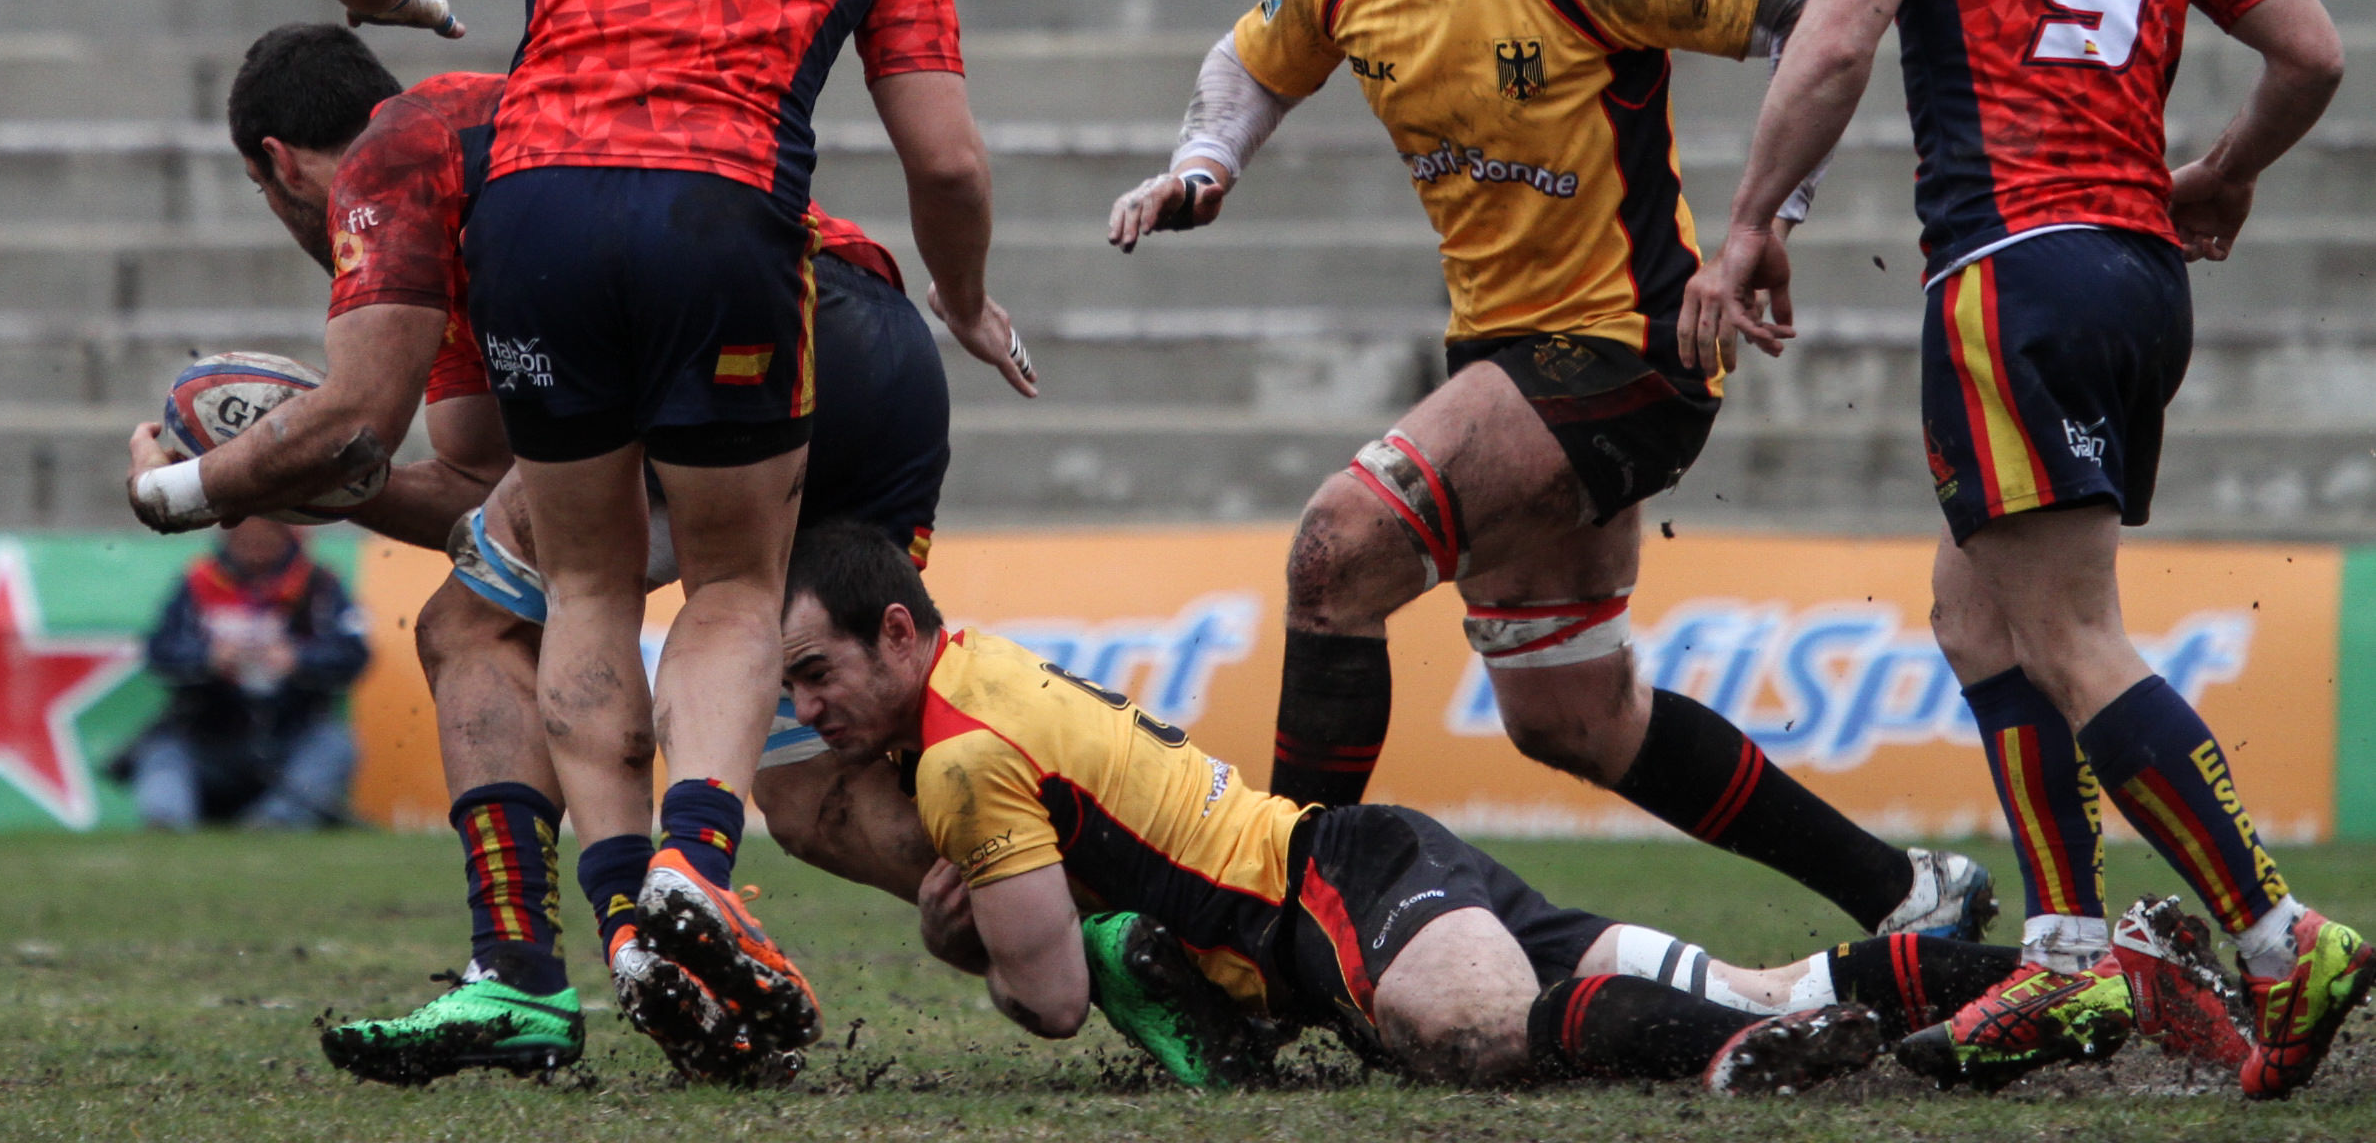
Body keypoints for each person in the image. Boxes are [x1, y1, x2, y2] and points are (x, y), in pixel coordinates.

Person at [1105, 0, 1988, 946]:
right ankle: (1911, 895)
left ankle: (1265, 933)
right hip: (1507, 359)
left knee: (1335, 553)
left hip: (1632, 351)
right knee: (1573, 716)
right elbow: (1252, 61)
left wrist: (1766, 219)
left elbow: (1818, 11)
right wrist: (1204, 164)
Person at [301, 0, 1030, 1068]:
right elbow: (947, 160)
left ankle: (624, 909)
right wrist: (962, 295)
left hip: (539, 203)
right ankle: (698, 861)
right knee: (734, 584)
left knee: (578, 583)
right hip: (727, 213)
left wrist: (406, 1)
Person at [1684, 0, 2366, 1099]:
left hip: (2010, 273)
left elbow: (1839, 39)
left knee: (2067, 632)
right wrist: (2225, 170)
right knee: (1975, 608)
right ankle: (2067, 958)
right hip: (2138, 276)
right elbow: (2313, 52)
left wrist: (1749, 221)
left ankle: (2280, 938)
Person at [131, 23, 944, 1083]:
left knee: (473, 623)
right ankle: (1095, 905)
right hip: (867, 348)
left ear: (276, 163)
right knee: (816, 795)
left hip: (732, 320)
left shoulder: (393, 155)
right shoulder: (478, 163)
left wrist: (191, 486)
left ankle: (534, 962)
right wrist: (306, 475)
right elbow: (478, 490)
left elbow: (357, 418)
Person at [775, 521, 2050, 1095]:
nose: (809, 709)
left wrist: (958, 939)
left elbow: (1052, 999)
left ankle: (1742, 1053)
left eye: (819, 673)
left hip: (1334, 890)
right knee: (1754, 977)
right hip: (1358, 870)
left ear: (898, 629)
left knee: (1473, 1034)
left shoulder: (957, 758)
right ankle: (2061, 981)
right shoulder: (981, 662)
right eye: (791, 688)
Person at [122, 520, 366, 830]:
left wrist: (298, 659)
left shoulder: (320, 585)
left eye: (265, 537)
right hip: (208, 734)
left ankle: (275, 823)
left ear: (289, 536)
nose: (255, 547)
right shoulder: (198, 581)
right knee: (162, 752)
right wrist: (208, 658)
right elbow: (160, 650)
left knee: (335, 746)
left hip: (291, 732)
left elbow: (354, 654)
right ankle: (167, 824)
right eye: (244, 537)